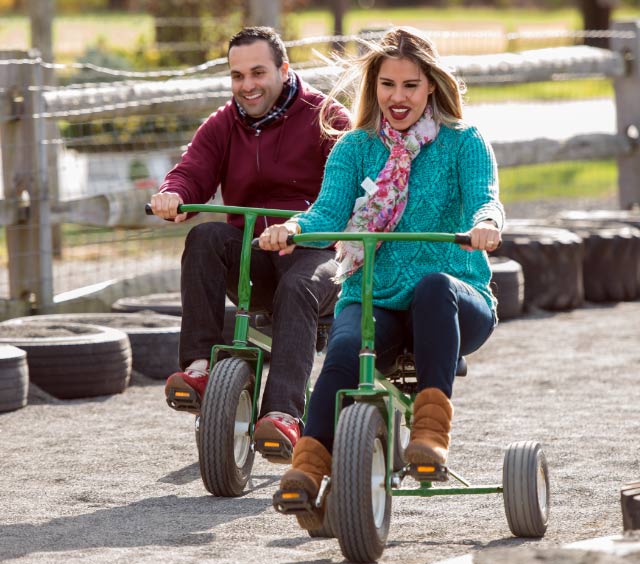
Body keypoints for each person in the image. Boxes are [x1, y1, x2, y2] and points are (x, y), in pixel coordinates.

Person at [259, 27, 505, 526]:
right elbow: (327, 210)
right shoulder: (355, 148)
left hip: (456, 298)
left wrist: (485, 224)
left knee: (434, 285)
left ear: (430, 86)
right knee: (346, 349)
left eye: (410, 86)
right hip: (376, 294)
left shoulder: (464, 142)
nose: (398, 97)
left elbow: (485, 196)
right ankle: (308, 470)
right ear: (374, 88)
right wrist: (292, 228)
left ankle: (430, 435)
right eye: (387, 85)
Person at [149, 26, 351, 464]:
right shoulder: (224, 123)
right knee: (203, 237)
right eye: (237, 76)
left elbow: (351, 187)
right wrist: (174, 194)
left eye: (258, 72)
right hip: (253, 256)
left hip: (316, 256)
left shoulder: (326, 117)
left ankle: (281, 413)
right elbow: (192, 170)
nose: (247, 85)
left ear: (284, 69)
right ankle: (199, 369)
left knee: (298, 286)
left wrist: (301, 226)